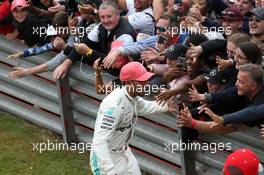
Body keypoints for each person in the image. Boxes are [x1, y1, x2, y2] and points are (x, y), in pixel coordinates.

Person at [90, 62, 177, 175]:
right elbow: (100, 142)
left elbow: (143, 107)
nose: (146, 84)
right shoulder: (113, 106)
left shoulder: (132, 97)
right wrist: (109, 171)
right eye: (141, 81)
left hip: (124, 152)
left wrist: (165, 106)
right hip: (106, 158)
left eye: (146, 80)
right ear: (129, 82)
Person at [52, 1, 137, 79]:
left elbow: (114, 64)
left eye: (109, 16)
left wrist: (89, 52)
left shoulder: (125, 34)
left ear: (118, 15)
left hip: (122, 79)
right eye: (102, 17)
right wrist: (65, 64)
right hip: (103, 75)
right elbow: (84, 44)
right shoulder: (100, 27)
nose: (106, 20)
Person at [177, 64, 264, 134]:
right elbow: (226, 94)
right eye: (237, 80)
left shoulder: (260, 101)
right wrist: (204, 97)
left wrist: (223, 119)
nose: (236, 84)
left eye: (241, 82)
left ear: (254, 86)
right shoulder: (242, 90)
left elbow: (231, 126)